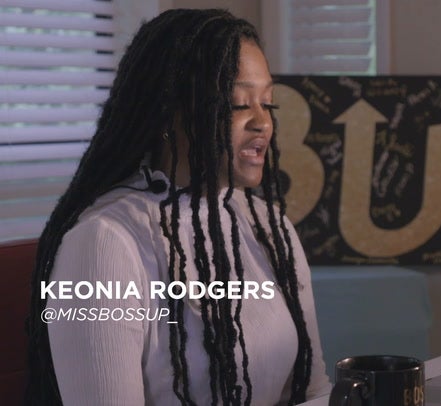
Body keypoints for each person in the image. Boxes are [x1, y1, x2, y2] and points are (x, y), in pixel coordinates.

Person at [25, 8, 331, 405]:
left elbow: (313, 389)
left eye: (268, 104)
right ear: (170, 115)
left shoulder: (270, 227)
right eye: (240, 104)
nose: (262, 123)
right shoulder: (102, 245)